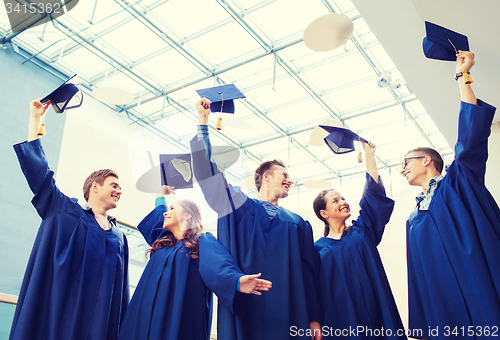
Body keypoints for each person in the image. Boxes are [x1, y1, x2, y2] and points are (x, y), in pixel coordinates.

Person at [191, 98, 322, 340]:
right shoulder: (237, 205)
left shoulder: (298, 225)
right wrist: (203, 122)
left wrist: (313, 318)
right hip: (246, 309)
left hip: (289, 313)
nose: (289, 181)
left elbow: (308, 273)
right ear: (266, 177)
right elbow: (207, 174)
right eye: (284, 175)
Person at [10, 99, 129, 340]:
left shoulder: (119, 237)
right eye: (114, 185)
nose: (119, 191)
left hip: (99, 328)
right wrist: (36, 119)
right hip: (58, 320)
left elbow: (121, 294)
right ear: (95, 187)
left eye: (120, 188)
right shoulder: (64, 211)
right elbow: (40, 175)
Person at [402, 51, 500, 339]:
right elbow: (418, 279)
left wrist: (462, 77)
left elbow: (470, 138)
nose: (401, 170)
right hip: (447, 314)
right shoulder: (413, 220)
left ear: (426, 160)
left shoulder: (459, 182)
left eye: (405, 162)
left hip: (483, 291)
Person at [313, 141, 405, 339]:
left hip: (377, 308)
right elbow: (312, 292)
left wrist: (369, 155)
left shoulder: (362, 230)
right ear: (324, 213)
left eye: (343, 198)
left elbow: (373, 198)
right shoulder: (317, 250)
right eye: (335, 201)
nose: (343, 202)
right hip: (344, 321)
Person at [118, 185, 212, 340]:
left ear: (187, 215)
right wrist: (160, 193)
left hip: (178, 319)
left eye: (173, 208)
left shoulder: (201, 246)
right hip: (144, 318)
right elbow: (159, 216)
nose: (166, 213)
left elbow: (221, 269)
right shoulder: (163, 242)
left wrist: (237, 281)